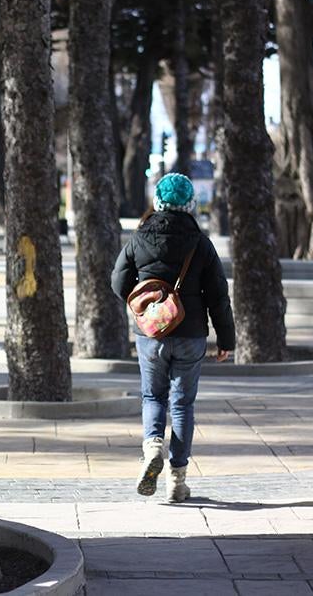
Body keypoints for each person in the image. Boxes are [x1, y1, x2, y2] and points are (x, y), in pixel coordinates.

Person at [110, 173, 235, 503]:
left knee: (153, 396)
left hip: (150, 335)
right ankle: (177, 481)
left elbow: (117, 281)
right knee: (182, 404)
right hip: (191, 334)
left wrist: (141, 305)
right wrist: (227, 340)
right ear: (190, 204)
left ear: (158, 202)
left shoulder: (139, 238)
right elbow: (219, 296)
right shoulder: (201, 243)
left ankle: (152, 446)